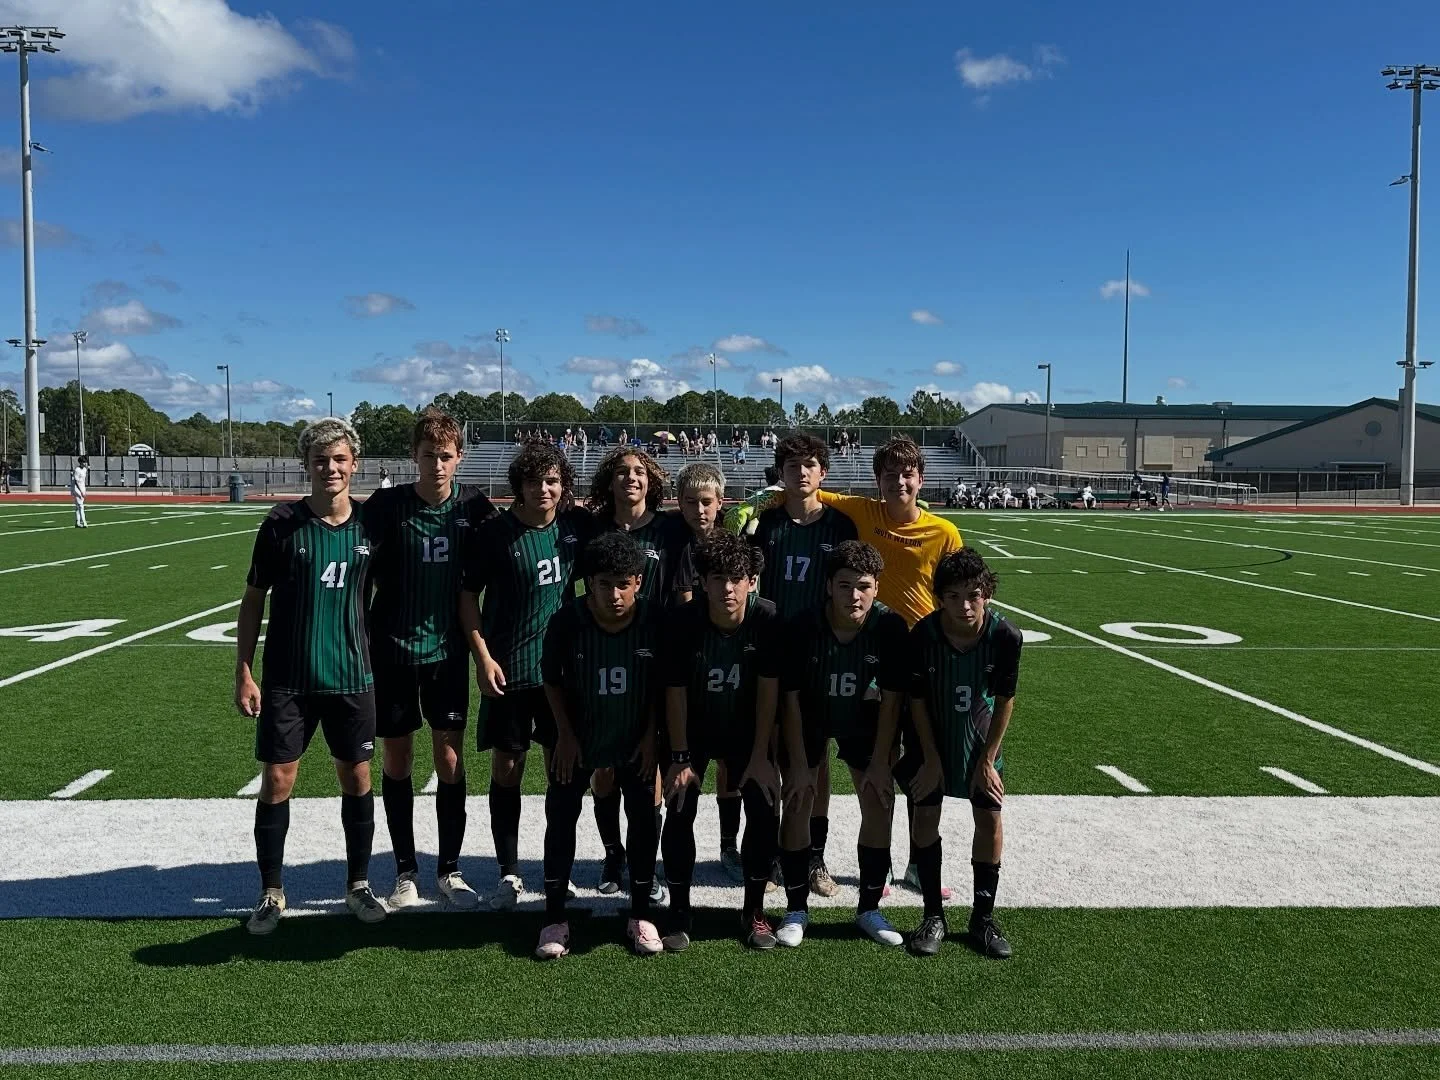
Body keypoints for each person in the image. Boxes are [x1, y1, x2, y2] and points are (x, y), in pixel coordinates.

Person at [233, 417, 386, 935]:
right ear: (308, 466)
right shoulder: (280, 524)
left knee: (358, 776)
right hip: (289, 679)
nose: (331, 469)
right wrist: (244, 671)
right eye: (321, 461)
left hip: (351, 675)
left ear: (354, 464)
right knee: (277, 779)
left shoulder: (372, 527)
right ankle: (271, 890)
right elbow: (253, 600)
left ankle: (359, 884)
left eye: (340, 459)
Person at [362, 409, 497, 911]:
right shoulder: (387, 505)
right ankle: (404, 870)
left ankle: (450, 867)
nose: (436, 465)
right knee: (397, 759)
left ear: (459, 457)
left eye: (445, 456)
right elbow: (355, 561)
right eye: (427, 456)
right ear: (413, 457)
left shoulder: (475, 507)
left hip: (447, 651)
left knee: (449, 758)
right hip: (393, 650)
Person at [460, 442, 593, 910]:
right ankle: (509, 870)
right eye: (535, 481)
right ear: (518, 486)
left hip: (560, 674)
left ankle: (558, 870)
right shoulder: (495, 534)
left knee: (564, 772)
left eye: (553, 480)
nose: (544, 489)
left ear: (563, 485)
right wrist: (482, 656)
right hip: (510, 672)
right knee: (508, 768)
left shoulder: (574, 527)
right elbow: (466, 598)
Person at [776, 541, 909, 949]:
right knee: (798, 798)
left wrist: (883, 763)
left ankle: (869, 908)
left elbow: (891, 701)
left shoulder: (889, 627)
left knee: (878, 799)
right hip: (811, 717)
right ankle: (796, 907)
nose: (854, 595)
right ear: (829, 586)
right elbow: (791, 699)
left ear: (877, 587)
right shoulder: (802, 626)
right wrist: (799, 763)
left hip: (864, 720)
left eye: (864, 586)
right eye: (845, 585)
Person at [536, 531, 663, 959]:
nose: (614, 593)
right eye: (604, 583)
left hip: (634, 736)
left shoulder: (653, 620)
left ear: (638, 583)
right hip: (580, 735)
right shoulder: (567, 621)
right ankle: (554, 918)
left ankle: (641, 915)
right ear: (588, 582)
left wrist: (651, 737)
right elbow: (551, 678)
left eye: (623, 583)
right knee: (561, 817)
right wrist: (566, 736)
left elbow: (664, 685)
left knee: (645, 819)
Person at [893, 548, 1021, 959]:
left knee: (990, 818)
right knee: (925, 816)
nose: (964, 605)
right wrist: (929, 759)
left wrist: (987, 760)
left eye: (973, 594)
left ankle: (982, 918)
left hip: (979, 741)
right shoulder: (924, 636)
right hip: (932, 736)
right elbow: (915, 700)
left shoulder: (1005, 636)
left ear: (988, 593)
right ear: (938, 597)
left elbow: (1004, 700)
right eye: (953, 596)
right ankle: (933, 915)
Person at [661, 531, 783, 951]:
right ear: (702, 581)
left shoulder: (766, 618)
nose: (727, 588)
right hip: (691, 730)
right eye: (717, 578)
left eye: (736, 578)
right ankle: (679, 910)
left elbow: (769, 690)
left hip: (746, 730)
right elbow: (673, 690)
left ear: (751, 580)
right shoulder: (682, 621)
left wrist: (762, 754)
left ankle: (753, 911)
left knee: (765, 809)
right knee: (678, 808)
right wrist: (679, 757)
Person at [749, 434, 858, 896]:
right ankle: (773, 852)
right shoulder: (764, 523)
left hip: (820, 650)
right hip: (771, 648)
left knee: (814, 759)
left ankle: (814, 855)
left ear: (823, 472)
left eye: (809, 464)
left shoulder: (840, 526)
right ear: (781, 473)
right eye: (791, 465)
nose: (801, 472)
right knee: (772, 750)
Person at [584, 446, 690, 900]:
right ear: (610, 481)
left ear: (652, 481)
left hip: (657, 663)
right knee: (605, 771)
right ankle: (613, 854)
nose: (632, 478)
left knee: (653, 777)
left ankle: (650, 861)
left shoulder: (671, 532)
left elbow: (683, 596)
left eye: (640, 472)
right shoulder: (593, 531)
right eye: (623, 472)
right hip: (606, 661)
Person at [672, 462, 745, 879]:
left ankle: (728, 845)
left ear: (721, 503)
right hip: (692, 660)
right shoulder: (679, 544)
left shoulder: (732, 543)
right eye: (691, 502)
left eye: (706, 502)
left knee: (731, 767)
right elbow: (685, 605)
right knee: (684, 761)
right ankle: (677, 847)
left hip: (731, 661)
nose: (699, 510)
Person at [70, 455, 89, 528]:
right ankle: (84, 522)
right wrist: (80, 491)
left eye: (85, 462)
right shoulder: (77, 470)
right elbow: (76, 482)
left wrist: (83, 490)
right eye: (84, 462)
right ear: (80, 462)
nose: (85, 464)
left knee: (78, 506)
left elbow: (82, 481)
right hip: (76, 489)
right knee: (81, 506)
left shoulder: (84, 469)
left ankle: (77, 522)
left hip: (82, 488)